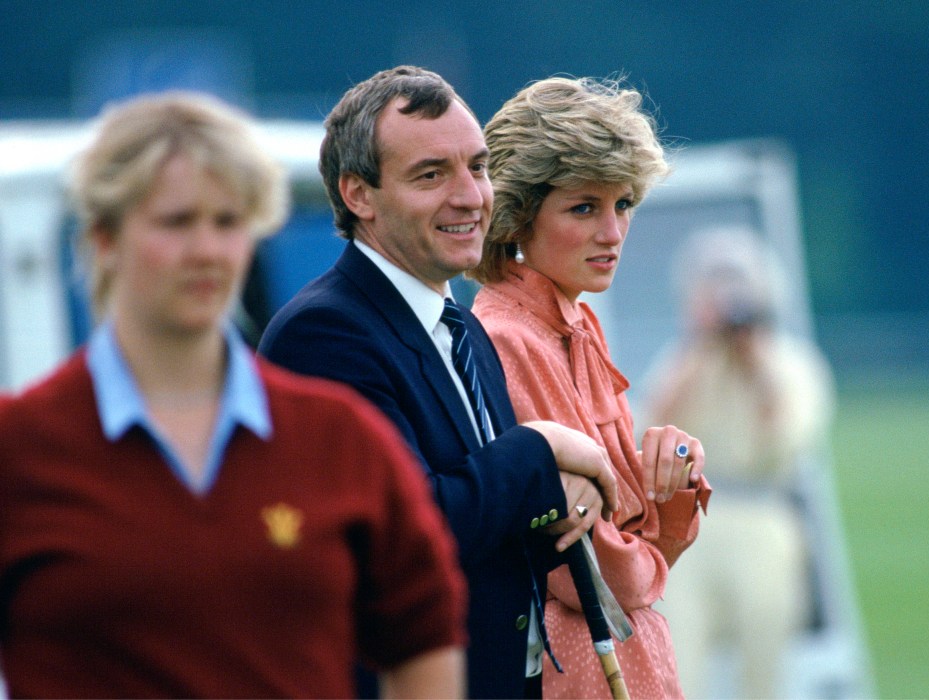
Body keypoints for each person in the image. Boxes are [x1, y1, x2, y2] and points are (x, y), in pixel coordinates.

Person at [0, 91, 468, 699]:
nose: (207, 250)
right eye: (176, 222)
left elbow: (423, 640)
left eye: (227, 222)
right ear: (104, 238)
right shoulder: (21, 449)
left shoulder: (340, 440)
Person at [258, 65, 620, 699]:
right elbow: (412, 525)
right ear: (358, 195)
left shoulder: (463, 328)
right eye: (431, 175)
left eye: (477, 168)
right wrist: (540, 449)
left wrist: (566, 500)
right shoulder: (323, 335)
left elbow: (489, 523)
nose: (470, 196)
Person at [470, 76, 710, 699]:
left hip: (624, 654)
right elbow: (583, 572)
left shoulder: (579, 321)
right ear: (517, 215)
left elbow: (627, 532)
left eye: (624, 203)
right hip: (576, 665)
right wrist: (654, 556)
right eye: (584, 207)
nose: (612, 232)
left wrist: (673, 476)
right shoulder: (508, 336)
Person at [640, 226, 836, 699]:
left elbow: (787, 437)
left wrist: (754, 359)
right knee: (679, 656)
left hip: (764, 512)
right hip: (691, 518)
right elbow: (650, 426)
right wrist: (700, 342)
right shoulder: (685, 361)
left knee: (763, 659)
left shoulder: (790, 363)